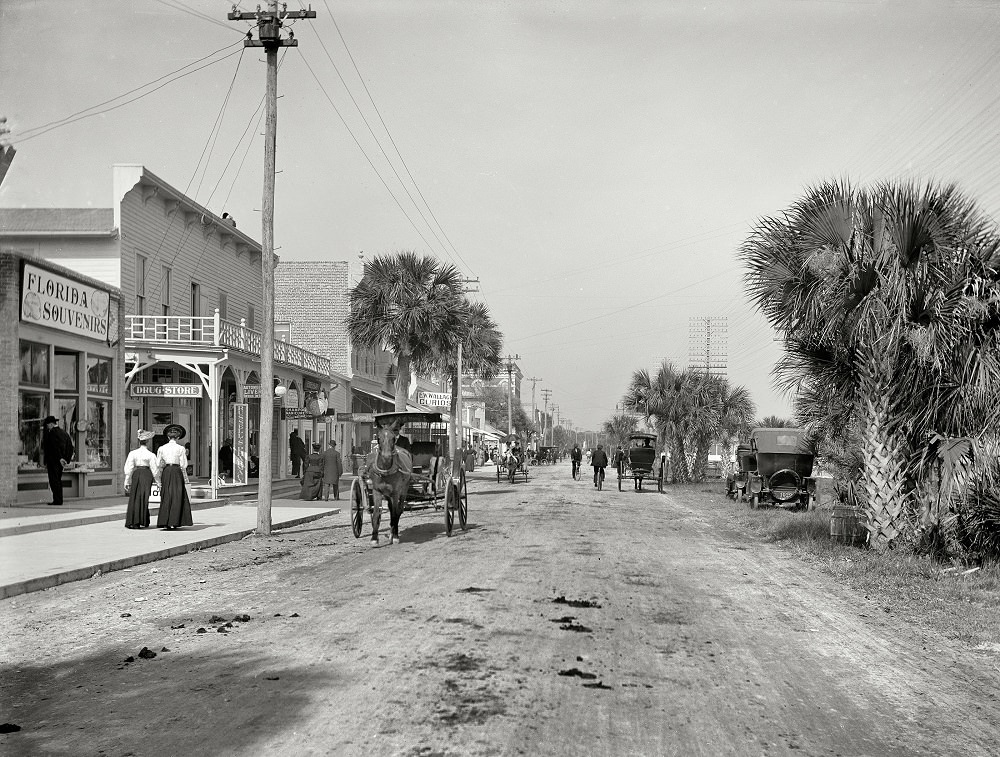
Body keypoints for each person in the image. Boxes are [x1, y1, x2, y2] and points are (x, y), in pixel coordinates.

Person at [155, 424, 193, 530]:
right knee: (177, 495)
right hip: (176, 471)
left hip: (167, 471)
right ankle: (174, 521)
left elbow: (158, 463)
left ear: (168, 437)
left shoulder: (162, 448)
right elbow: (184, 464)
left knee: (166, 495)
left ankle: (165, 521)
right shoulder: (181, 448)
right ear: (177, 437)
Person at [124, 430, 157, 528]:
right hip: (146, 474)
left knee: (134, 497)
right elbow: (155, 469)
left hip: (136, 473)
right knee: (144, 497)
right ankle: (142, 520)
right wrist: (159, 482)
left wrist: (126, 480)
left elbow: (129, 467)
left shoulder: (133, 453)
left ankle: (133, 521)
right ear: (148, 442)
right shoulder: (151, 455)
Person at [41, 415, 74, 506]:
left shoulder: (51, 433)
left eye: (47, 425)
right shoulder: (64, 433)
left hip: (53, 461)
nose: (47, 427)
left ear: (51, 424)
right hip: (61, 463)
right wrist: (66, 459)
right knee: (58, 480)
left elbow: (54, 448)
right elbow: (70, 448)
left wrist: (59, 458)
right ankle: (58, 500)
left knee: (53, 481)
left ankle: (57, 500)